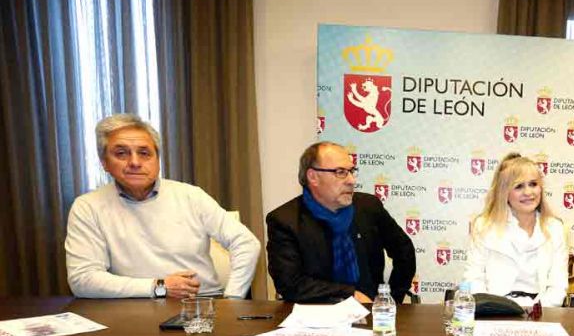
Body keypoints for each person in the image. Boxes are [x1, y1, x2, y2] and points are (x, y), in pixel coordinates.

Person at [65, 114, 261, 299]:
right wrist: (158, 286)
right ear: (104, 163)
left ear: (157, 160)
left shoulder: (191, 196)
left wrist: (233, 299)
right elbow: (82, 279)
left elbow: (246, 243)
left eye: (144, 153)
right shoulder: (88, 207)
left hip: (201, 302)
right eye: (121, 153)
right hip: (132, 305)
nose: (134, 162)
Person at [266, 142, 415, 303]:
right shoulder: (285, 221)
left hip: (371, 309)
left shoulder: (368, 207)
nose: (351, 180)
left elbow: (404, 251)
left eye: (352, 171)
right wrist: (350, 294)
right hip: (314, 312)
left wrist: (391, 299)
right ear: (313, 177)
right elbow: (289, 284)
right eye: (340, 172)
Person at [463, 153, 568, 307]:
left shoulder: (555, 228)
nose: (528, 192)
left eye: (533, 184)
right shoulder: (484, 226)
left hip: (542, 311)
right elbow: (474, 277)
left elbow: (558, 285)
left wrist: (537, 311)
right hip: (495, 310)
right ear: (504, 193)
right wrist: (491, 308)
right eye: (519, 186)